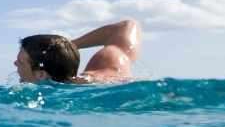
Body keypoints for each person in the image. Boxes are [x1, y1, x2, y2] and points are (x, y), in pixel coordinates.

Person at [14, 19, 142, 84]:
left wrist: (62, 47)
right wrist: (62, 47)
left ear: (41, 75)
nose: (15, 63)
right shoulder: (106, 66)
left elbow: (127, 25)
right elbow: (126, 26)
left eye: (20, 62)